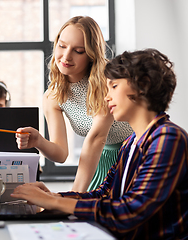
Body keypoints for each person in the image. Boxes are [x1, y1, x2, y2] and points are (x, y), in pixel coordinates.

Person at [11, 48, 188, 239]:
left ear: (143, 85)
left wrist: (53, 203)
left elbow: (130, 212)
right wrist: (56, 197)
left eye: (113, 86)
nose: (106, 96)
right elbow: (106, 194)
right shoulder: (131, 142)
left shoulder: (168, 139)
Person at [16, 16, 132, 192]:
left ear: (92, 55)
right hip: (99, 161)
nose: (66, 56)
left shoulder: (107, 80)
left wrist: (74, 195)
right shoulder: (53, 96)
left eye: (78, 51)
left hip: (133, 153)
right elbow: (61, 154)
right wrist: (39, 141)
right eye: (62, 46)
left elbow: (97, 138)